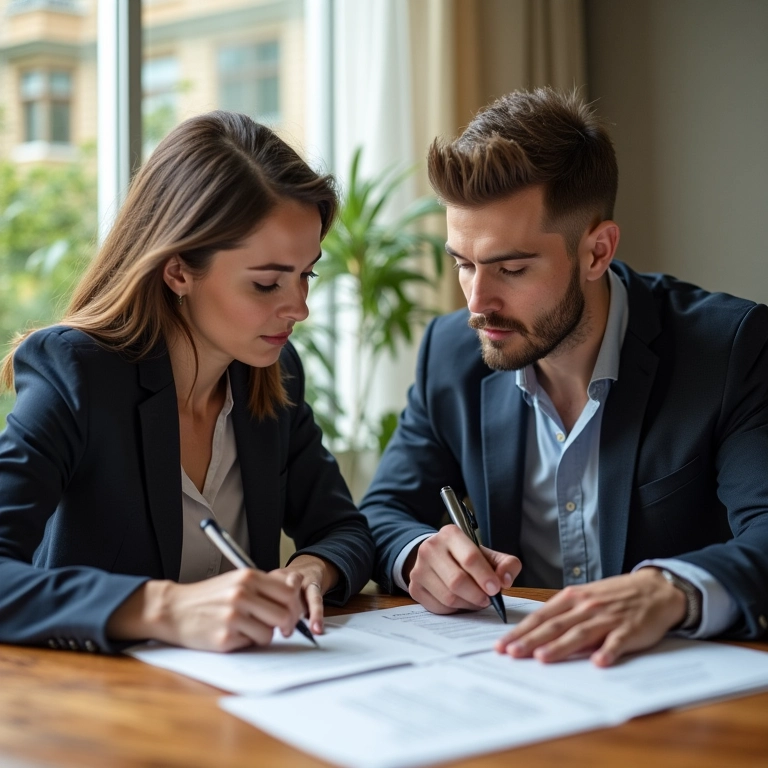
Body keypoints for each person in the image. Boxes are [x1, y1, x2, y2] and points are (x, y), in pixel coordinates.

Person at [360, 88, 768, 667]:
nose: (477, 303)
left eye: (511, 268)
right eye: (463, 264)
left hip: (675, 685)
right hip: (514, 677)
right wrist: (418, 552)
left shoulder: (730, 348)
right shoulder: (450, 353)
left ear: (597, 251)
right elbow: (381, 512)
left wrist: (672, 590)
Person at [0, 111, 374, 654]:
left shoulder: (274, 375)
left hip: (250, 690)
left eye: (306, 274)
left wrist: (312, 569)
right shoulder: (76, 372)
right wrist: (164, 608)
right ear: (178, 271)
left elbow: (345, 529)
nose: (300, 308)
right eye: (267, 283)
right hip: (100, 695)